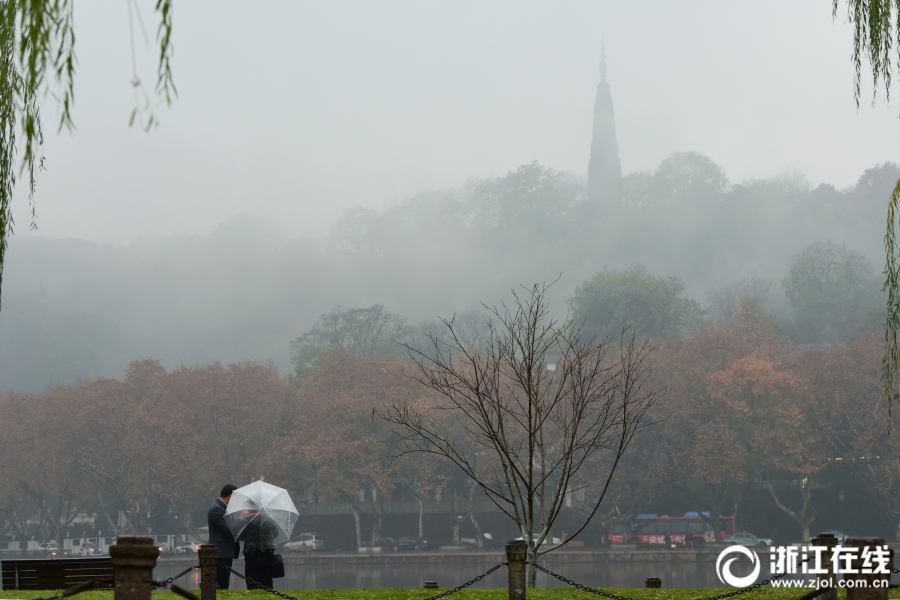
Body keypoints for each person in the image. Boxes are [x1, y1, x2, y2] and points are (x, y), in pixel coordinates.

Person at [208, 484, 240, 590]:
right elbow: (227, 530)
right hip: (220, 552)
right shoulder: (216, 509)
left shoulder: (225, 509)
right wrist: (240, 518)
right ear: (230, 496)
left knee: (224, 582)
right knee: (219, 582)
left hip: (226, 552)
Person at [242, 510, 279, 590]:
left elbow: (241, 535)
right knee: (266, 581)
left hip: (251, 553)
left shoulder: (246, 520)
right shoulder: (269, 519)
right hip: (266, 551)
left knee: (252, 580)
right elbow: (275, 533)